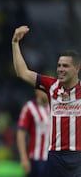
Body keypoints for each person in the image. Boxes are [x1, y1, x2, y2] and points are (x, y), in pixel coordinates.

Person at [12, 25, 81, 177]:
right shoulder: (51, 86)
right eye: (59, 66)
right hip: (55, 156)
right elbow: (22, 73)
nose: (60, 69)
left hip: (78, 156)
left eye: (65, 66)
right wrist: (15, 43)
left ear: (77, 68)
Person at [16, 89, 50, 177]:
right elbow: (21, 134)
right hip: (37, 158)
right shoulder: (29, 108)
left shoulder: (56, 107)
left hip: (55, 159)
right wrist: (23, 157)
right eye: (45, 88)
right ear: (37, 90)